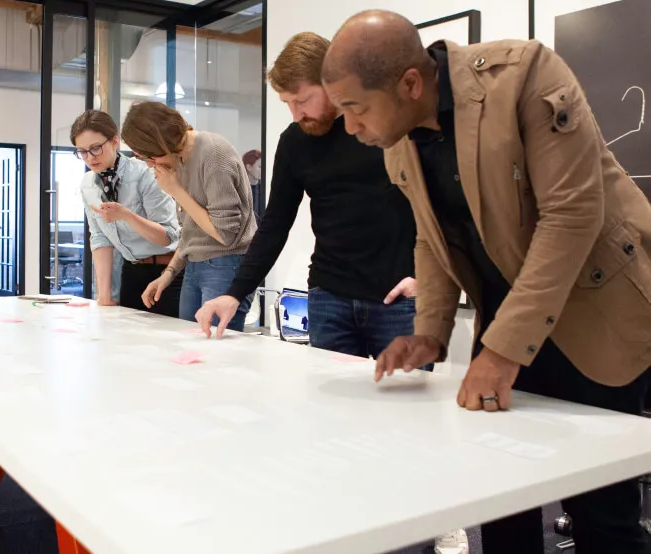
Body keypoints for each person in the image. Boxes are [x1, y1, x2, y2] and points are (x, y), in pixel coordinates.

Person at [322, 9, 651, 554]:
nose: (351, 129)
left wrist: (500, 351)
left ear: (409, 83)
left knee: (601, 515)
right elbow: (430, 238)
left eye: (355, 109)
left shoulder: (524, 77)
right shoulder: (399, 138)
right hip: (509, 329)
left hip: (597, 318)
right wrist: (429, 331)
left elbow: (571, 217)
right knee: (500, 504)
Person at [194, 31, 463, 554]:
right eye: (287, 102)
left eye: (302, 98)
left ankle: (435, 517)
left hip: (399, 300)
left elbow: (442, 203)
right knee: (335, 425)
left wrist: (426, 278)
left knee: (410, 422)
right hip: (331, 296)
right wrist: (237, 292)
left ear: (333, 84)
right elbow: (275, 223)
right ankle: (351, 521)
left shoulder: (386, 124)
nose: (295, 111)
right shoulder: (296, 141)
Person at [121, 101, 258, 331]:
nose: (149, 164)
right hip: (195, 264)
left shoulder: (213, 153)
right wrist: (168, 274)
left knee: (214, 351)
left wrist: (176, 191)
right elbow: (190, 229)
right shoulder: (179, 159)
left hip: (227, 262)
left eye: (148, 157)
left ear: (159, 143)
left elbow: (226, 234)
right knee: (190, 345)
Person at [71, 110, 182, 314]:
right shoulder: (88, 183)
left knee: (168, 341)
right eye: (82, 151)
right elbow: (99, 238)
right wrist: (104, 294)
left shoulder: (145, 174)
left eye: (96, 148)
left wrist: (126, 215)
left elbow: (168, 236)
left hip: (166, 272)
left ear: (114, 142)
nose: (90, 157)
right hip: (130, 271)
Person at [242, 149, 264, 224]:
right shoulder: (240, 190)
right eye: (260, 166)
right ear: (249, 167)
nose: (263, 170)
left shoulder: (265, 189)